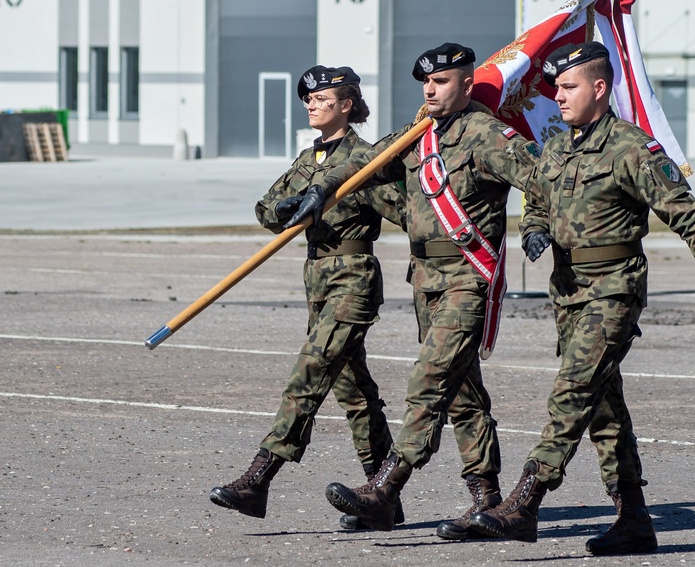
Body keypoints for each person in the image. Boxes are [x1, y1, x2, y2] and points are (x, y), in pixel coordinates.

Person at [467, 41, 695, 554]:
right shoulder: (556, 147)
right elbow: (537, 194)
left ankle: (525, 502)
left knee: (572, 392)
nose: (558, 95)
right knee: (603, 407)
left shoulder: (631, 148)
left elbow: (683, 210)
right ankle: (634, 520)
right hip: (569, 292)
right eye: (556, 86)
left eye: (569, 86)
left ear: (600, 89)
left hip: (614, 289)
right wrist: (534, 227)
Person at [283, 43, 542, 539]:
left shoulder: (487, 134)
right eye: (426, 82)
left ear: (467, 84)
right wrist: (322, 187)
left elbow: (541, 177)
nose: (430, 89)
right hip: (426, 282)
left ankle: (385, 488)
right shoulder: (421, 132)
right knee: (462, 394)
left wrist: (536, 223)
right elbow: (369, 159)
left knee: (429, 381)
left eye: (441, 82)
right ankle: (486, 503)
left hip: (468, 276)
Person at [209, 65, 407, 530]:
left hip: (353, 278)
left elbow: (408, 212)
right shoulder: (308, 158)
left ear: (347, 105)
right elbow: (266, 207)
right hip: (317, 278)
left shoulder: (367, 161)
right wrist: (280, 209)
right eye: (309, 98)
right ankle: (383, 501)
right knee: (354, 392)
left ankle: (257, 479)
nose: (312, 104)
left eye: (322, 98)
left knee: (310, 372)